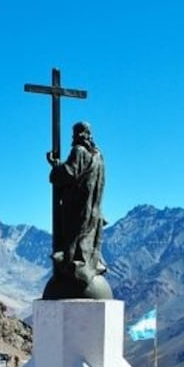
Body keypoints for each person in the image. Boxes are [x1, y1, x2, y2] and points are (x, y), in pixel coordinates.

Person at [44, 121, 110, 299]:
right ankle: (87, 266)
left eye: (74, 135)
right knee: (86, 239)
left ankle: (76, 269)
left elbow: (68, 173)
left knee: (74, 240)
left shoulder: (79, 151)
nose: (73, 138)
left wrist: (55, 166)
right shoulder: (99, 156)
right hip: (94, 210)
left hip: (77, 208)